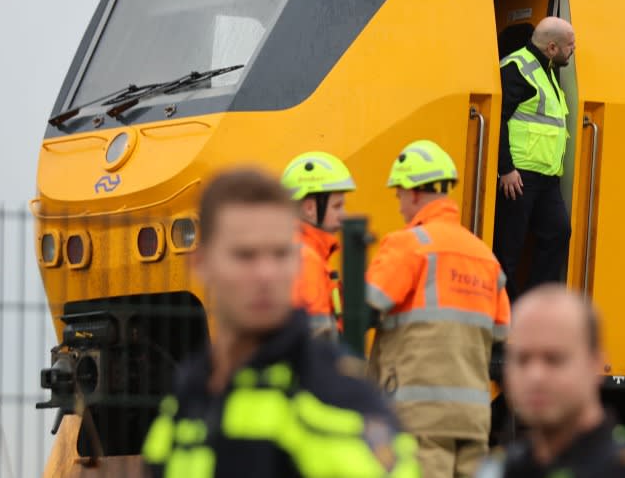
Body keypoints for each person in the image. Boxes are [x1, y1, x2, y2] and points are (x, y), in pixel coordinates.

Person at [141, 167, 419, 478]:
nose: (267, 274)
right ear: (201, 263)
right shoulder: (184, 404)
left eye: (280, 254)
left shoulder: (340, 400)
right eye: (245, 255)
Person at [366, 140, 511, 478]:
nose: (400, 205)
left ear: (414, 193)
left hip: (417, 417)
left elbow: (364, 308)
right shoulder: (484, 256)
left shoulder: (407, 246)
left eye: (399, 194)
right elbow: (503, 333)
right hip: (473, 419)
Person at [476, 284, 625, 478]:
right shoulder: (499, 469)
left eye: (554, 359)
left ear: (596, 364)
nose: (535, 376)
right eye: (522, 360)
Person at [494, 16, 575, 300]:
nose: (573, 49)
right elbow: (498, 119)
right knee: (508, 249)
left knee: (558, 232)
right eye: (570, 45)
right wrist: (506, 169)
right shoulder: (517, 68)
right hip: (518, 177)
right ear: (552, 48)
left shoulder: (548, 68)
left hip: (547, 178)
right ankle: (506, 312)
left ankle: (532, 306)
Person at [281, 151, 357, 340]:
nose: (344, 215)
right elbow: (317, 339)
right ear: (310, 208)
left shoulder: (300, 252)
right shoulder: (307, 260)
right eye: (337, 206)